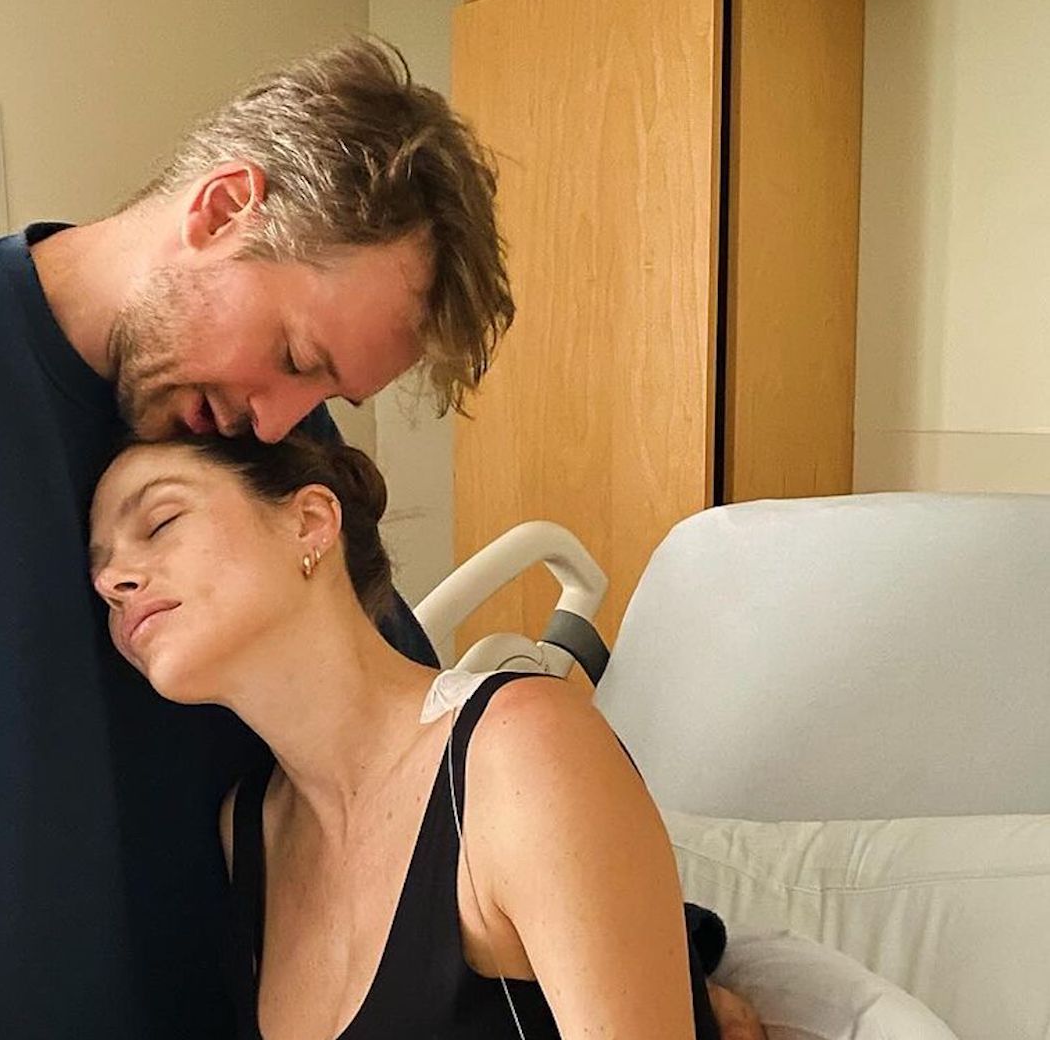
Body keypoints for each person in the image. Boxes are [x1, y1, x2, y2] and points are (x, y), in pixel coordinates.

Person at [0, 37, 756, 1038]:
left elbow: (404, 756)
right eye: (296, 355)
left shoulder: (258, 424)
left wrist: (649, 947)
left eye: (328, 394)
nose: (286, 421)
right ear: (226, 206)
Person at [89, 432, 767, 1040]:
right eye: (100, 569)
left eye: (161, 521)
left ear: (310, 522)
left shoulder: (522, 750)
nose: (113, 581)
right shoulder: (248, 832)